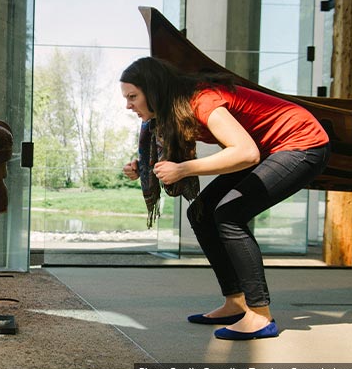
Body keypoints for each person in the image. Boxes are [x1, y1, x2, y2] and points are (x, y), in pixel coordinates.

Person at [120, 57, 330, 340]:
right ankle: (235, 302)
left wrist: (183, 169)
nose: (128, 105)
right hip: (269, 149)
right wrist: (142, 167)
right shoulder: (176, 110)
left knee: (229, 215)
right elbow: (170, 154)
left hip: (302, 143)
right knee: (201, 213)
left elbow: (246, 153)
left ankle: (259, 315)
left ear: (153, 90)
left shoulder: (203, 100)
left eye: (133, 97)